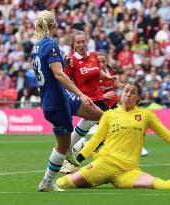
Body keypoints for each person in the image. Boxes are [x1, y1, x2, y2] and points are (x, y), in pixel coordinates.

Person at [56, 81, 170, 190]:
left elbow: (165, 134)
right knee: (64, 184)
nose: (128, 95)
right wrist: (76, 161)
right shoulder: (109, 115)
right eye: (126, 91)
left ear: (138, 97)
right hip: (104, 165)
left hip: (128, 170)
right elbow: (95, 140)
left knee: (153, 182)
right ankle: (54, 181)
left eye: (133, 93)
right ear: (121, 93)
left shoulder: (146, 115)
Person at [31, 10, 103, 192]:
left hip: (60, 97)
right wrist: (80, 93)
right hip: (56, 102)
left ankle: (74, 147)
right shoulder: (50, 45)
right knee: (61, 146)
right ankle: (47, 182)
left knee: (101, 116)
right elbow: (58, 74)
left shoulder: (37, 47)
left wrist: (64, 65)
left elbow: (47, 72)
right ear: (53, 25)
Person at [60, 30, 116, 173]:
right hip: (86, 101)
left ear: (87, 42)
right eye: (78, 42)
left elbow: (97, 73)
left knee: (89, 129)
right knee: (112, 126)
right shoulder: (72, 61)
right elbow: (65, 80)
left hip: (99, 99)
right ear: (73, 44)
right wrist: (65, 67)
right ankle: (79, 153)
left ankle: (71, 150)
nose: (81, 44)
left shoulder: (94, 56)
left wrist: (108, 78)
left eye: (83, 41)